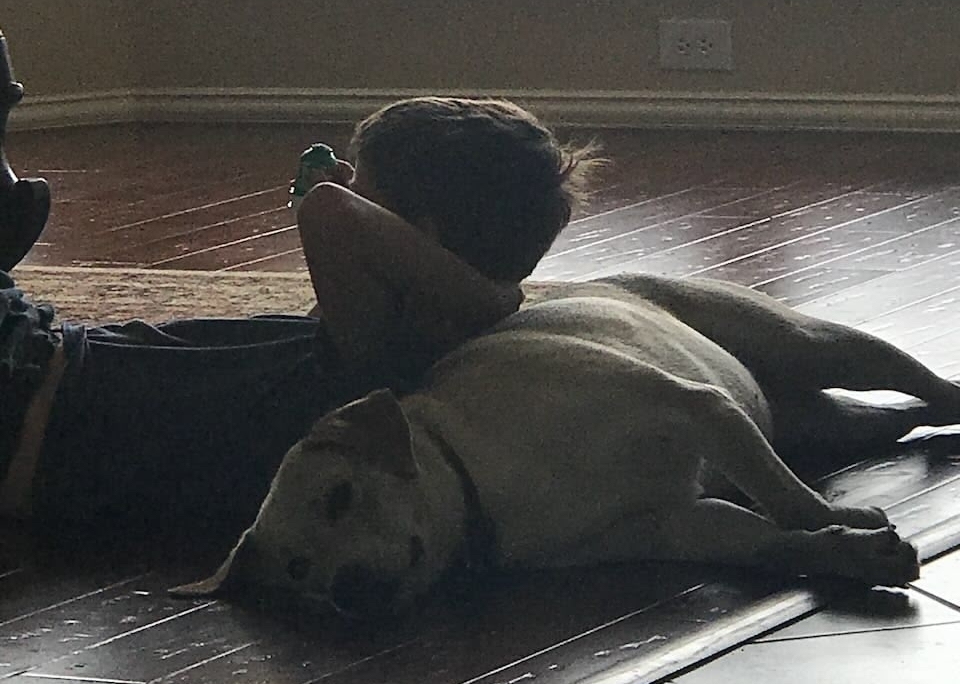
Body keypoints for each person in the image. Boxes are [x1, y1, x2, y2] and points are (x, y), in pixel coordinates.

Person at [0, 97, 598, 539]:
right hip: (37, 362)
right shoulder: (376, 344)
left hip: (24, 396)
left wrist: (489, 297)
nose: (346, 192)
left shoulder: (381, 360)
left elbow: (329, 212)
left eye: (368, 193)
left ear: (415, 241)